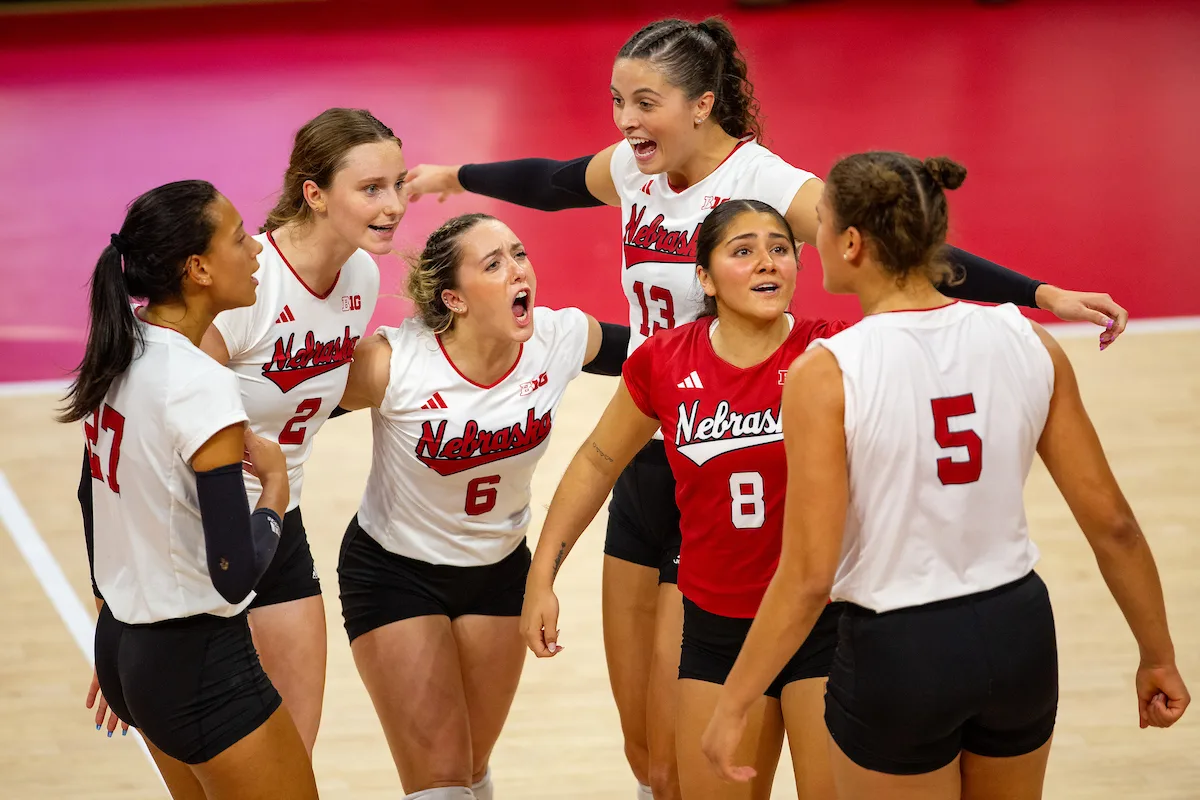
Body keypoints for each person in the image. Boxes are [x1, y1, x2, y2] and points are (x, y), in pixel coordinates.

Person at [405, 17, 1128, 800]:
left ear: (702, 105)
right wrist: (457, 175)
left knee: (717, 735)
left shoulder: (771, 184)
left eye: (644, 102)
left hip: (730, 457)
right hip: (653, 445)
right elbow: (549, 180)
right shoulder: (634, 169)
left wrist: (1039, 293)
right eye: (616, 100)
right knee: (649, 755)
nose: (624, 120)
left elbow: (899, 244)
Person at [701, 152, 1190, 799]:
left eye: (816, 224)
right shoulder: (1027, 342)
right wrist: (1158, 655)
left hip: (899, 647)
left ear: (851, 243)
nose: (809, 239)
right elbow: (1115, 526)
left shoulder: (828, 372)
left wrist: (734, 703)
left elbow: (808, 574)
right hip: (1017, 631)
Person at [522, 198, 858, 800]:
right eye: (743, 250)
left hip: (824, 622)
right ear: (703, 276)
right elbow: (599, 461)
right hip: (718, 629)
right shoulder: (666, 360)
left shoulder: (834, 349)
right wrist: (542, 574)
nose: (767, 264)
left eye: (780, 248)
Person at [332, 213, 628, 800]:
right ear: (454, 299)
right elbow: (285, 406)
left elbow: (659, 353)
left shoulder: (559, 337)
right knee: (439, 782)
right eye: (493, 264)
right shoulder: (396, 363)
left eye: (519, 254)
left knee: (469, 769)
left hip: (499, 572)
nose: (518, 270)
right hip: (395, 573)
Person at [62, 180, 318, 799]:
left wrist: (114, 622)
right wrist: (276, 493)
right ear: (198, 268)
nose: (256, 249)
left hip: (129, 646)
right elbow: (233, 573)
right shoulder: (200, 384)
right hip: (197, 662)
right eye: (238, 238)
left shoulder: (120, 350)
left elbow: (88, 498)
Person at [198, 107, 405, 755]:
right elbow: (163, 420)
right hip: (198, 527)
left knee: (291, 757)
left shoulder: (362, 278)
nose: (395, 205)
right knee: (223, 763)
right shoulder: (247, 284)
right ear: (314, 194)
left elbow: (317, 393)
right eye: (371, 189)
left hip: (278, 518)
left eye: (397, 185)